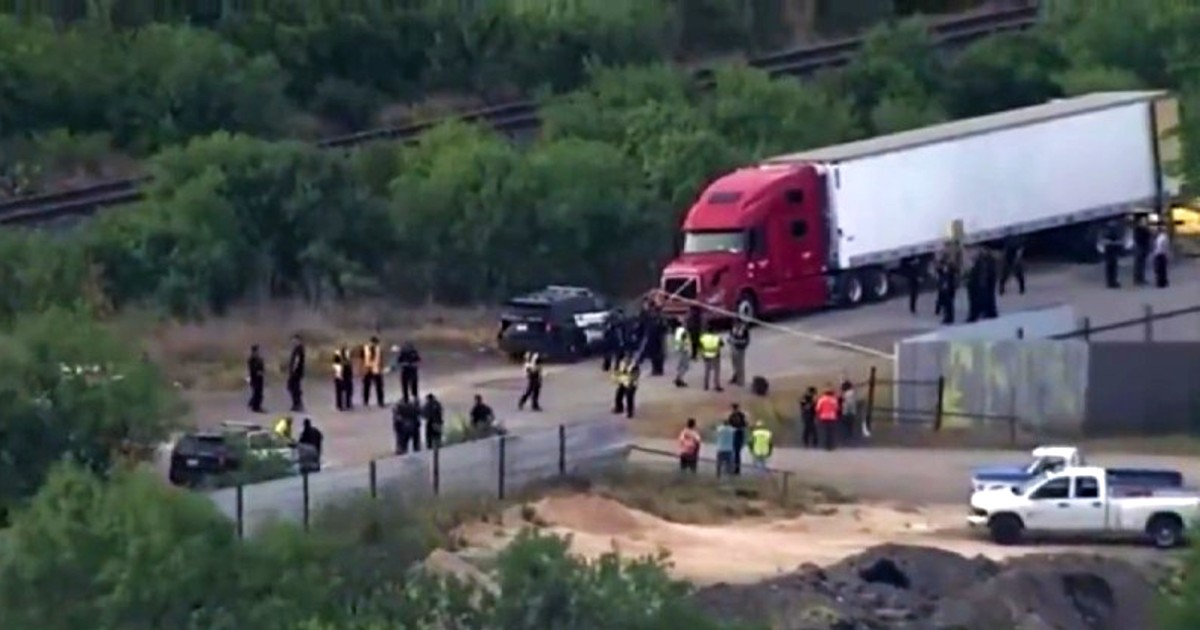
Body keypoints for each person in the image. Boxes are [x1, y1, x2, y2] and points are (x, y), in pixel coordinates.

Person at [934, 255, 958, 325]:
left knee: (949, 303)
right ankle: (947, 317)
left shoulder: (949, 267)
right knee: (946, 303)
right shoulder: (943, 269)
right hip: (945, 288)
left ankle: (950, 317)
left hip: (948, 288)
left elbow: (949, 276)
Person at [362, 336, 385, 408]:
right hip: (367, 369)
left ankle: (380, 401)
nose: (374, 345)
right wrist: (362, 368)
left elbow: (380, 358)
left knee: (379, 386)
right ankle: (365, 401)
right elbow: (361, 358)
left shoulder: (378, 349)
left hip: (376, 369)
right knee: (366, 386)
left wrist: (381, 367)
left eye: (376, 343)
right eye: (373, 343)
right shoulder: (365, 348)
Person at [699, 326, 724, 392]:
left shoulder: (703, 338)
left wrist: (702, 354)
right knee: (716, 371)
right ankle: (716, 385)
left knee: (707, 371)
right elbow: (722, 345)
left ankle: (706, 385)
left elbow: (700, 346)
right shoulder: (717, 338)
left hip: (707, 356)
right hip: (715, 356)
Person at [815, 386, 840, 451]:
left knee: (825, 432)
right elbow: (837, 408)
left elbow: (818, 409)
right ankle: (831, 445)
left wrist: (818, 416)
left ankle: (825, 445)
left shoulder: (821, 399)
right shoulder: (834, 400)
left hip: (823, 417)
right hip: (832, 417)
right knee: (831, 432)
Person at [727, 319, 750, 387]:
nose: (734, 325)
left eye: (736, 323)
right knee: (734, 364)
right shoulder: (733, 328)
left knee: (740, 365)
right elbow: (730, 336)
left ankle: (741, 381)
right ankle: (735, 377)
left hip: (740, 349)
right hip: (733, 348)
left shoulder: (744, 330)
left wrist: (736, 341)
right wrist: (730, 340)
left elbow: (746, 341)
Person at [727, 403, 748, 475]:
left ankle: (734, 468)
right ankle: (736, 469)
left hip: (736, 436)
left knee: (735, 453)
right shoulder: (740, 415)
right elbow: (745, 425)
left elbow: (729, 425)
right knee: (736, 453)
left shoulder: (733, 416)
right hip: (738, 435)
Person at [287, 334, 306, 412]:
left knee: (293, 387)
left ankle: (297, 404)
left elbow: (296, 361)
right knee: (294, 388)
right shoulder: (299, 349)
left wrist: (293, 370)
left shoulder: (298, 349)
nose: (293, 342)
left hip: (296, 373)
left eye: (294, 340)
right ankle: (297, 403)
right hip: (297, 372)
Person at [1102, 219, 1123, 289]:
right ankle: (1111, 282)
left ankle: (1112, 282)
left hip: (1111, 252)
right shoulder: (1108, 232)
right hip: (1110, 252)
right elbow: (1106, 242)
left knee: (1112, 268)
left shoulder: (1109, 232)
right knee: (1111, 267)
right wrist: (1116, 243)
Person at [1132, 216, 1152, 286]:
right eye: (1143, 221)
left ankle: (1141, 278)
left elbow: (1149, 236)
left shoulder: (1145, 229)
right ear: (1140, 222)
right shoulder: (1138, 229)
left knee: (1142, 264)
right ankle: (1137, 279)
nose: (1145, 223)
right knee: (1138, 264)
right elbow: (1139, 238)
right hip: (1140, 247)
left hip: (1143, 247)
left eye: (1145, 221)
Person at [246, 344, 265, 413]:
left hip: (260, 378)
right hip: (254, 378)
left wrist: (262, 371)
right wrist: (257, 372)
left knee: (259, 393)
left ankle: (254, 405)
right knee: (256, 393)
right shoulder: (251, 360)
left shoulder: (259, 359)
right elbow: (251, 369)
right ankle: (256, 407)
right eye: (257, 351)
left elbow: (262, 367)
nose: (258, 352)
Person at [672, 319, 691, 388]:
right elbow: (685, 341)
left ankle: (678, 378)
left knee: (681, 366)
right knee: (685, 366)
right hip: (683, 350)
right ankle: (679, 379)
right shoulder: (682, 331)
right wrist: (686, 349)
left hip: (680, 350)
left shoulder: (677, 331)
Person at [1152, 224, 1171, 288]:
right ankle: (1163, 281)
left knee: (1160, 269)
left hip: (1159, 253)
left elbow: (1161, 246)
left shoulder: (1160, 237)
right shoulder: (1163, 237)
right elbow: (1165, 246)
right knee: (1162, 269)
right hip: (1161, 253)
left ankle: (1160, 282)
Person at [339, 345, 355, 410]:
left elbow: (350, 368)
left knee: (349, 390)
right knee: (343, 391)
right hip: (344, 377)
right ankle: (342, 405)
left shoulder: (348, 360)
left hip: (348, 377)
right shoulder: (342, 360)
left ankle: (348, 403)